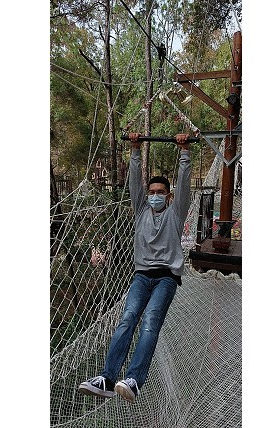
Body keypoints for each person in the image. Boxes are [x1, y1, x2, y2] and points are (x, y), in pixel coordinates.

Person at [77, 132, 192, 403]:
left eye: (160, 193)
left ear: (169, 196)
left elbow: (185, 186)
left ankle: (134, 380)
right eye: (152, 192)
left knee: (150, 322)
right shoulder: (140, 211)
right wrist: (135, 149)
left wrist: (185, 152)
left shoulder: (176, 213)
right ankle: (107, 378)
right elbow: (134, 183)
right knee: (127, 318)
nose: (154, 196)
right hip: (141, 276)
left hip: (166, 277)